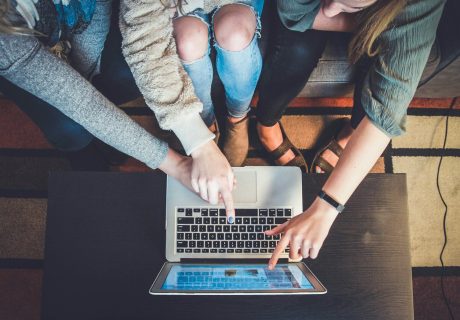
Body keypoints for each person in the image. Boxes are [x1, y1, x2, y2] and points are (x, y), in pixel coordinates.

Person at [0, 0, 236, 219]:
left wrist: (87, 77)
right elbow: (83, 103)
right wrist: (179, 164)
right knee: (69, 130)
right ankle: (87, 152)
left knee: (124, 79)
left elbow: (94, 14)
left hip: (81, 33)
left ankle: (108, 134)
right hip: (19, 56)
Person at [256, 0, 446, 269]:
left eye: (348, 3)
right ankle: (265, 125)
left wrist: (326, 207)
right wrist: (369, 21)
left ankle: (350, 133)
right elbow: (292, 14)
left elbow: (386, 110)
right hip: (306, 10)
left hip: (384, 13)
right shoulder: (332, 7)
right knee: (297, 50)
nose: (333, 8)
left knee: (387, 63)